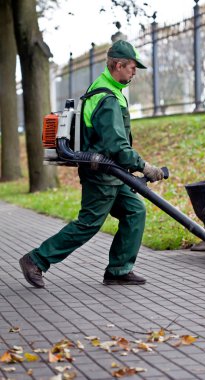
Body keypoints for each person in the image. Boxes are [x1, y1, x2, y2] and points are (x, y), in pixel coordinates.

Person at [19, 40, 164, 287]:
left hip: (113, 174)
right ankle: (36, 260)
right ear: (118, 65)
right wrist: (144, 166)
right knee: (88, 224)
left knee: (135, 212)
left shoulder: (107, 88)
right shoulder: (106, 98)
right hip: (102, 175)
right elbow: (117, 146)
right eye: (131, 67)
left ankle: (118, 270)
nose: (134, 72)